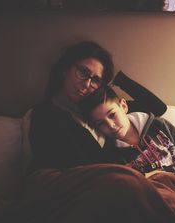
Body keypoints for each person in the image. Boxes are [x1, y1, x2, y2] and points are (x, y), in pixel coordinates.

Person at [28, 40, 167, 171]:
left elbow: (158, 108)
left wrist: (118, 79)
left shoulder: (100, 111)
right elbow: (72, 166)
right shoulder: (45, 113)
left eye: (95, 80)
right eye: (83, 72)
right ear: (65, 69)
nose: (87, 84)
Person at [79, 85, 175, 204]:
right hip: (159, 198)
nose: (111, 125)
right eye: (101, 123)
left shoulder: (158, 125)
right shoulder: (113, 155)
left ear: (123, 106)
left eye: (112, 115)